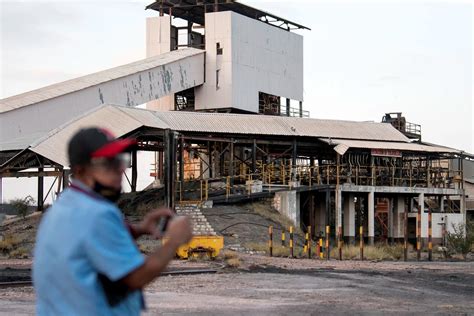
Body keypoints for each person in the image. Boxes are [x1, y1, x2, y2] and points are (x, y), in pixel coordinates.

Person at [33, 127, 192, 315]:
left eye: (120, 160)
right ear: (80, 170)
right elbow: (136, 277)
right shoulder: (98, 213)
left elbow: (87, 242)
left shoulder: (62, 208)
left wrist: (138, 230)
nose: (119, 169)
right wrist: (173, 241)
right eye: (107, 162)